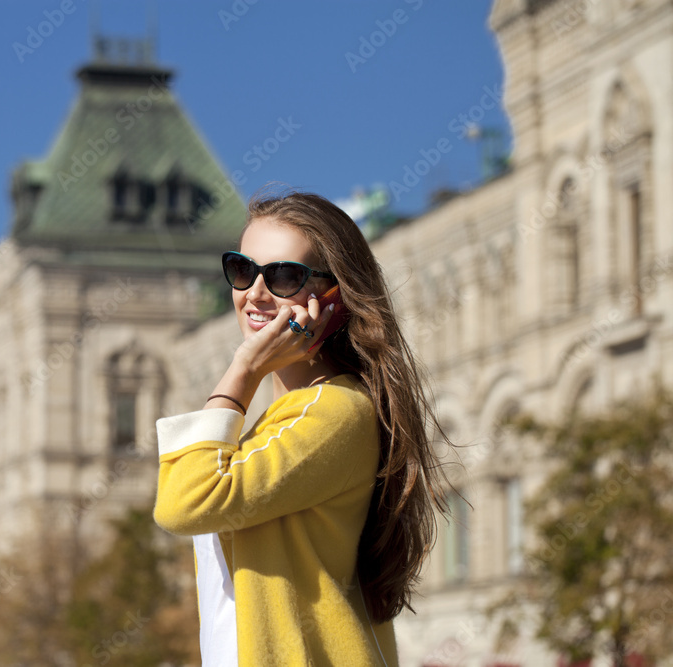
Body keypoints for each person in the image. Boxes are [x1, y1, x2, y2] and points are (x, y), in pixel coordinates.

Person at [153, 187, 454, 666]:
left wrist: (244, 371)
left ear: (333, 296)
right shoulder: (280, 422)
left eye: (283, 277)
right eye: (241, 270)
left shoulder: (336, 411)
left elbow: (184, 502)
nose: (253, 293)